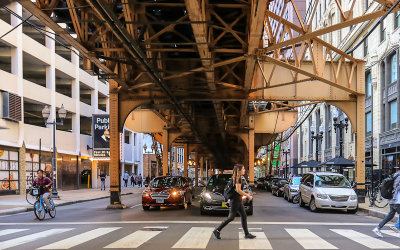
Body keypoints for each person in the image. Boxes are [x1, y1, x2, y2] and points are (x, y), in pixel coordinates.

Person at [213, 164, 256, 240]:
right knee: (231, 218)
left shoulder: (237, 177)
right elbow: (238, 190)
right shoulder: (238, 178)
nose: (244, 170)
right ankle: (217, 230)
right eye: (243, 169)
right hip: (235, 201)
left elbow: (237, 191)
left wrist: (245, 195)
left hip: (237, 200)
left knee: (244, 216)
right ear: (239, 170)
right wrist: (248, 196)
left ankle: (246, 234)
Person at [373, 166, 400, 237]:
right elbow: (397, 187)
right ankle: (396, 227)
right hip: (396, 200)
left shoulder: (394, 175)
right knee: (390, 215)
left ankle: (377, 228)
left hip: (391, 199)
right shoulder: (399, 176)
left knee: (390, 216)